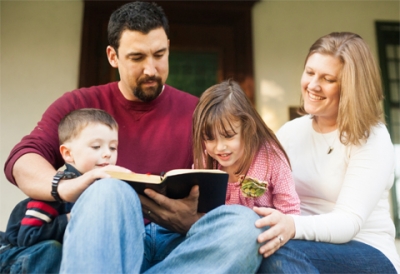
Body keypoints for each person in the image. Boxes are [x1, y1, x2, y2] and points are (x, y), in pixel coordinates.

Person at [3, 2, 264, 273]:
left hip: (177, 243)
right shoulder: (80, 104)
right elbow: (22, 160)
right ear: (113, 56)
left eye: (159, 54)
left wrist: (194, 221)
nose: (151, 69)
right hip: (106, 242)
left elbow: (235, 181)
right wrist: (67, 187)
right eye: (137, 58)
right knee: (108, 189)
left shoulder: (198, 112)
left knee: (245, 226)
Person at [255, 32, 400, 273]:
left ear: (351, 88)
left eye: (328, 79)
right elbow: (262, 187)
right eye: (310, 72)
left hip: (367, 252)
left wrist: (291, 225)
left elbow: (348, 222)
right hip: (301, 243)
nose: (312, 85)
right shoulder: (291, 132)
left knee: (278, 256)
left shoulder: (373, 138)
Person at [1, 108, 122, 273]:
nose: (107, 154)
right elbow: (27, 237)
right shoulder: (53, 193)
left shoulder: (104, 189)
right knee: (52, 250)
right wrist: (71, 219)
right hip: (18, 256)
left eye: (113, 148)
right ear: (68, 153)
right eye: (96, 146)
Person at [192, 79, 300, 215]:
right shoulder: (206, 159)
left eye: (229, 135)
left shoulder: (270, 158)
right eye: (209, 138)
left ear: (248, 128)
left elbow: (290, 211)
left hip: (260, 230)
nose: (219, 147)